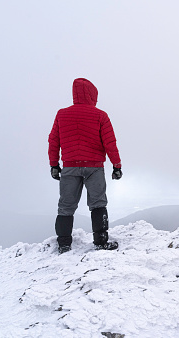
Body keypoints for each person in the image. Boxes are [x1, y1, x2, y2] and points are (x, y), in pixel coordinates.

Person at [48, 78, 123, 254]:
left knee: (66, 206)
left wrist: (54, 165)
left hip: (69, 167)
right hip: (94, 167)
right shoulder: (100, 115)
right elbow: (110, 143)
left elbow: (53, 141)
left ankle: (64, 245)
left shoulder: (62, 114)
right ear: (92, 95)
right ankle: (101, 241)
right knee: (98, 204)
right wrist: (116, 166)